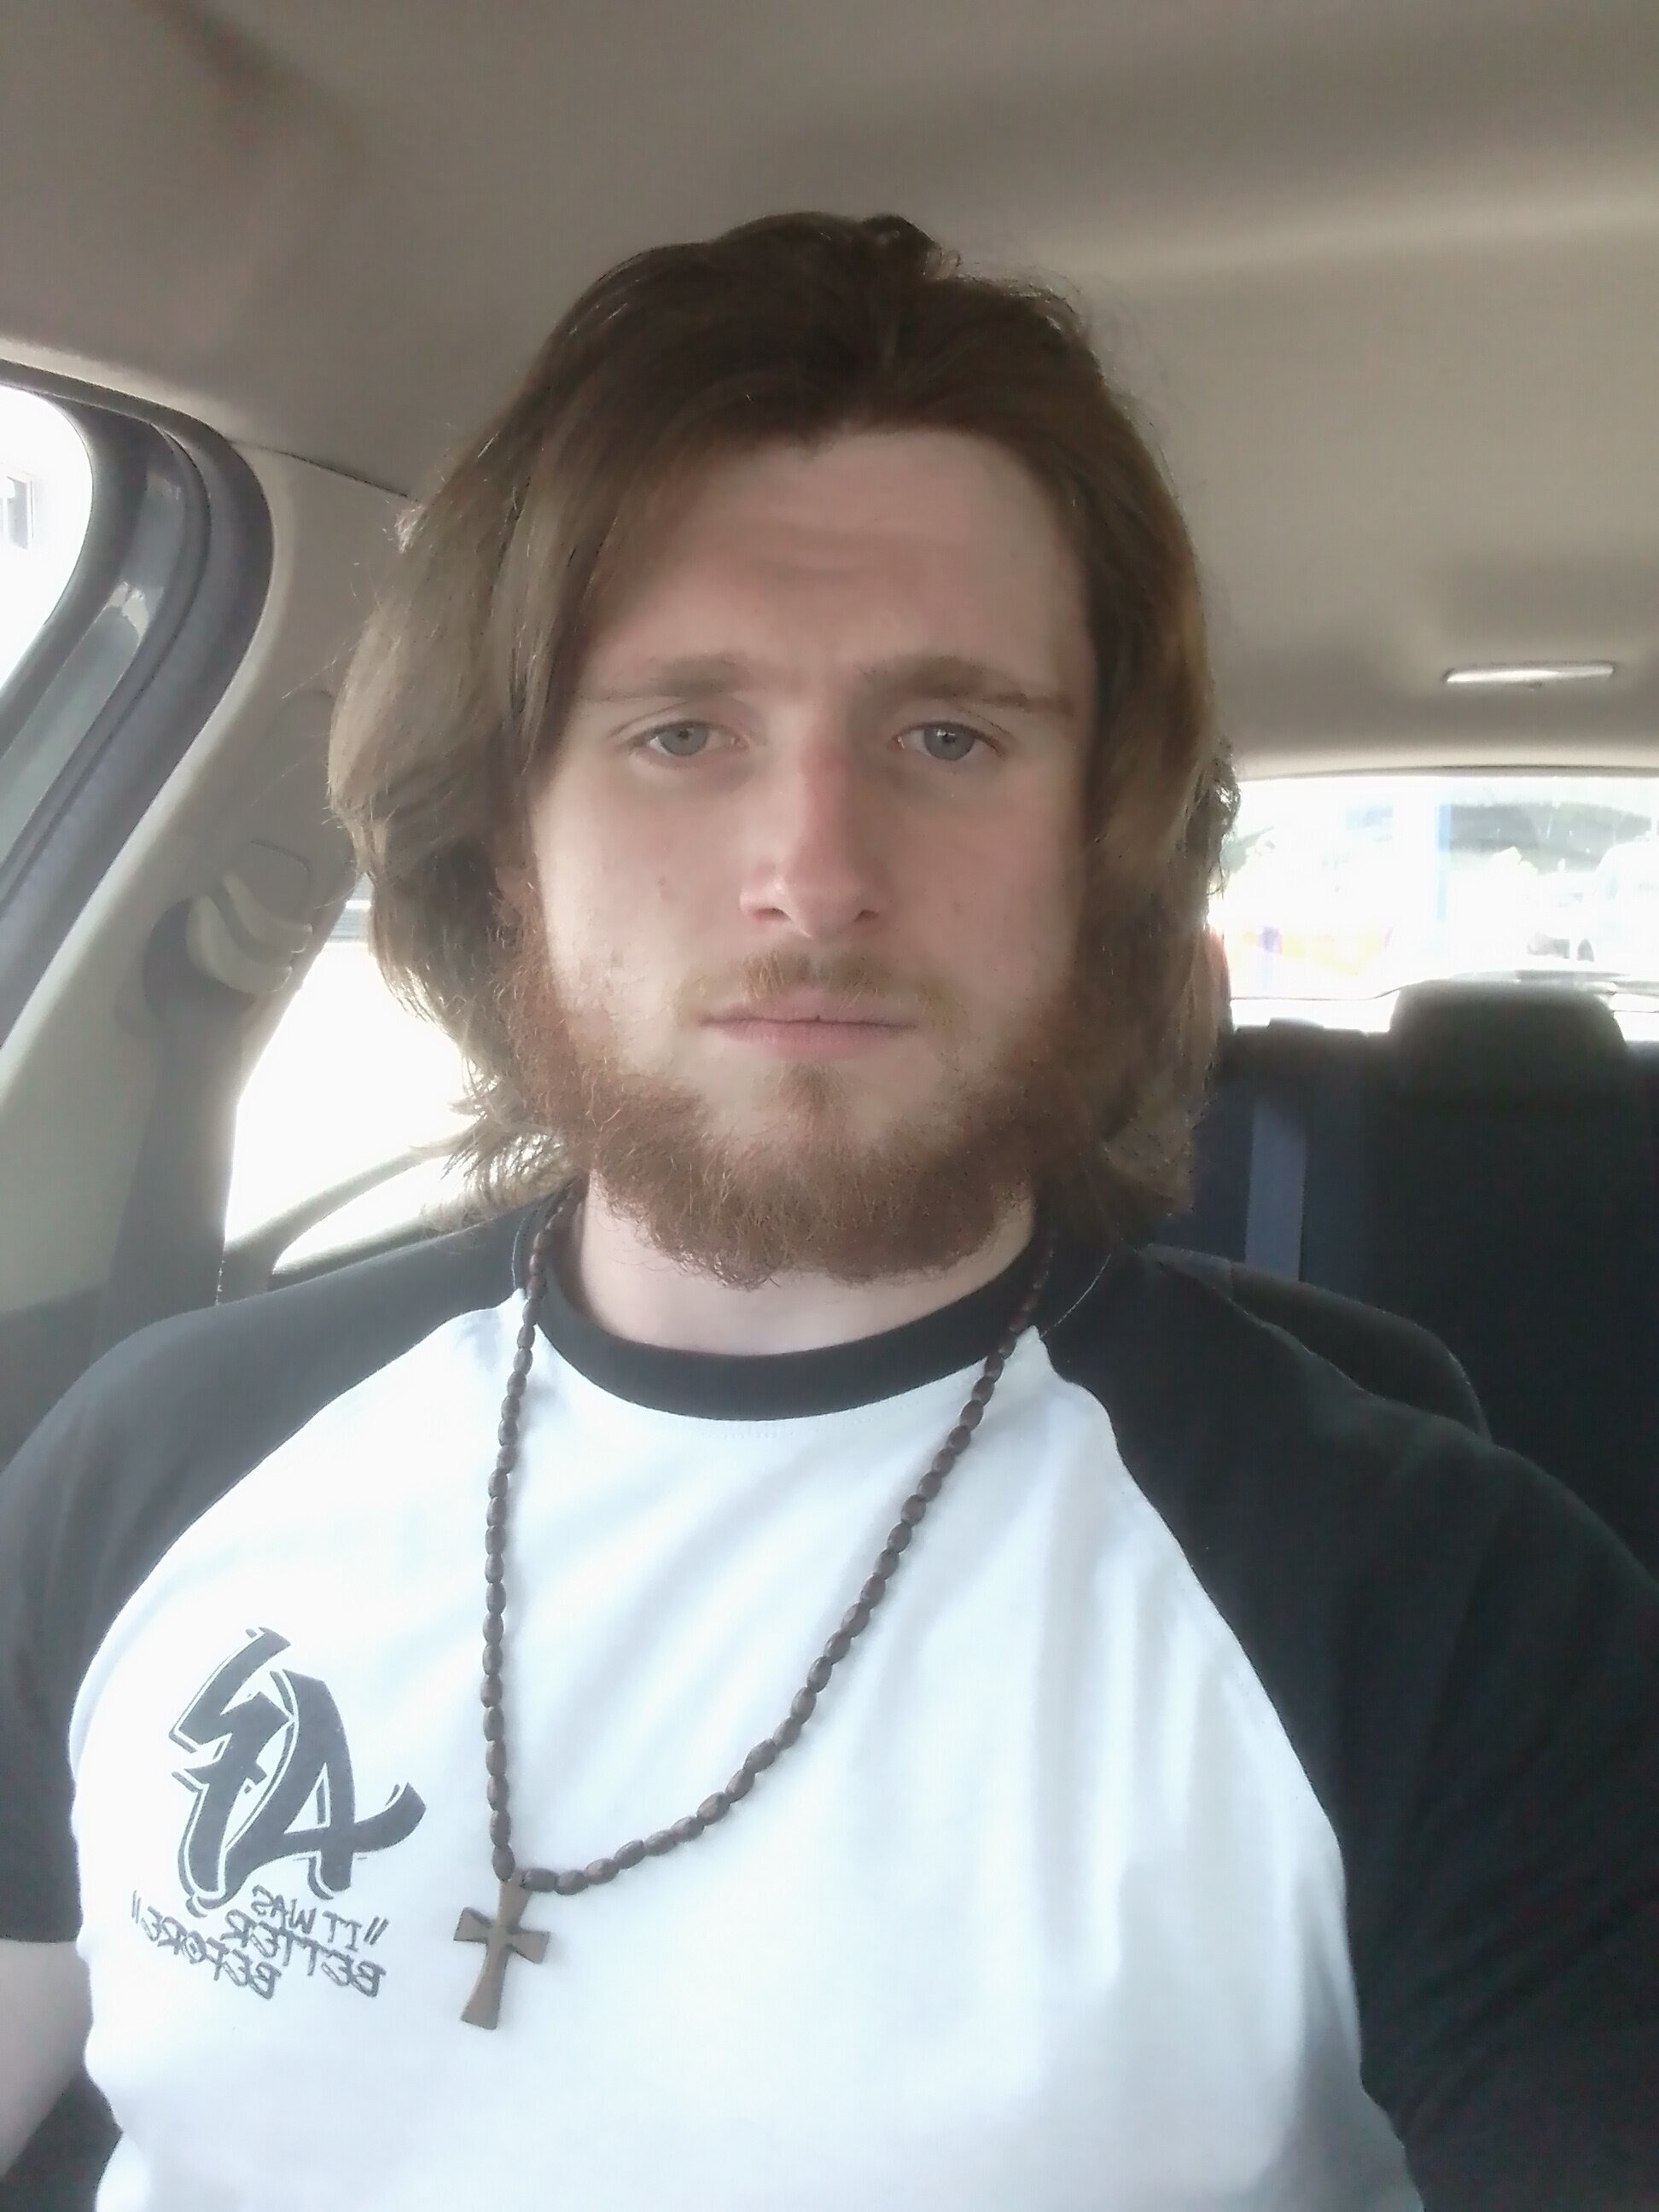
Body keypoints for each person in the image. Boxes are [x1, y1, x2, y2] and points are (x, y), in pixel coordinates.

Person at [0, 212, 1654, 2212]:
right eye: (680, 733)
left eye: (949, 737)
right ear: (507, 840)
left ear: (1104, 858)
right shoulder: (157, 1458)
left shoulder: (1446, 1619)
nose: (813, 869)